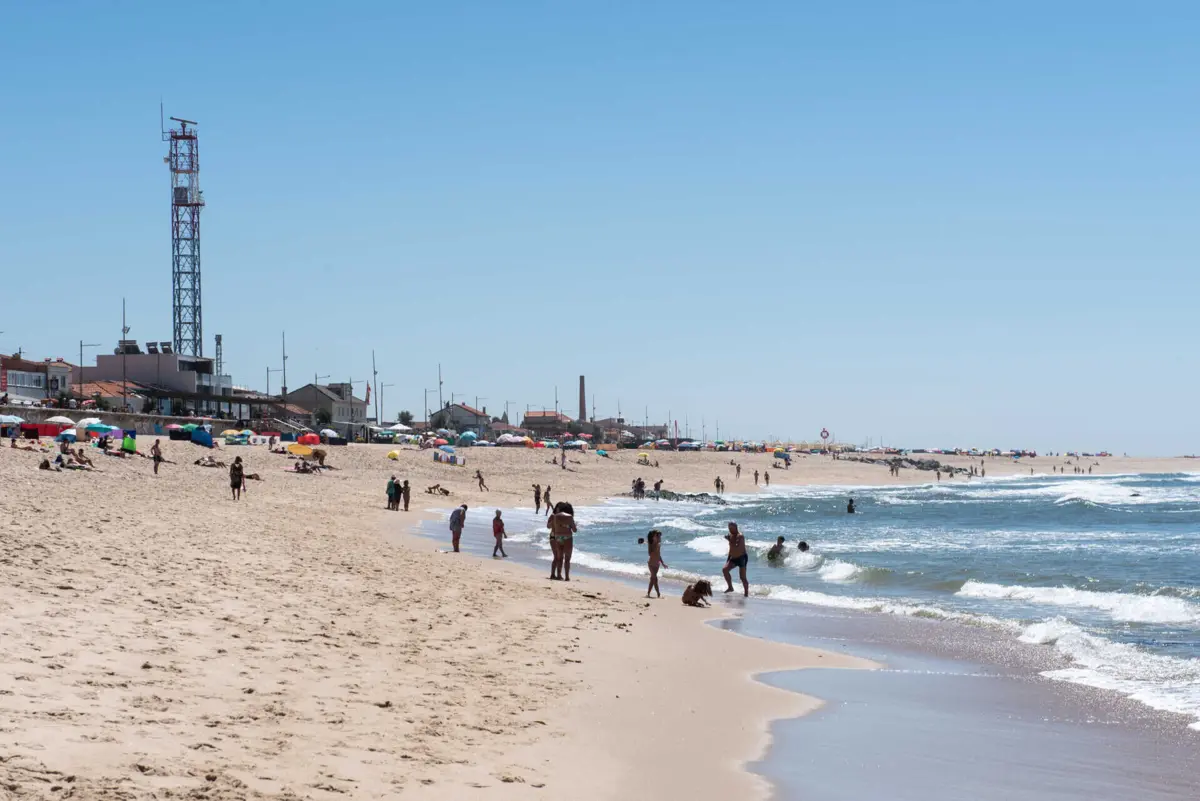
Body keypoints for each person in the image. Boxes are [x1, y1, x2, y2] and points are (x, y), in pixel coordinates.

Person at [548, 501, 577, 581]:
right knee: (566, 558)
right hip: (566, 537)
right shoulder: (569, 517)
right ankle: (566, 577)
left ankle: (557, 575)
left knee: (559, 557)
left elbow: (549, 526)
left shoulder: (556, 516)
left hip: (557, 537)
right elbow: (574, 530)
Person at [722, 522, 749, 597]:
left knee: (742, 577)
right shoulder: (730, 535)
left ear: (736, 528)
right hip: (733, 558)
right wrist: (728, 560)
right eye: (729, 528)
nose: (730, 529)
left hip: (741, 558)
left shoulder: (740, 536)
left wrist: (729, 540)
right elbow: (731, 549)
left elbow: (736, 546)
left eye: (731, 528)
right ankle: (730, 587)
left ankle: (746, 594)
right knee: (725, 570)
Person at [642, 529, 668, 598]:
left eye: (660, 536)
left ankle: (649, 594)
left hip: (657, 564)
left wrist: (663, 563)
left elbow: (659, 555)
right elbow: (650, 554)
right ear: (654, 537)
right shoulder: (651, 544)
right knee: (654, 578)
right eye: (658, 536)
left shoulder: (658, 545)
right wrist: (656, 547)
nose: (660, 538)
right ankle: (658, 594)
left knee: (652, 579)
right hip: (651, 564)